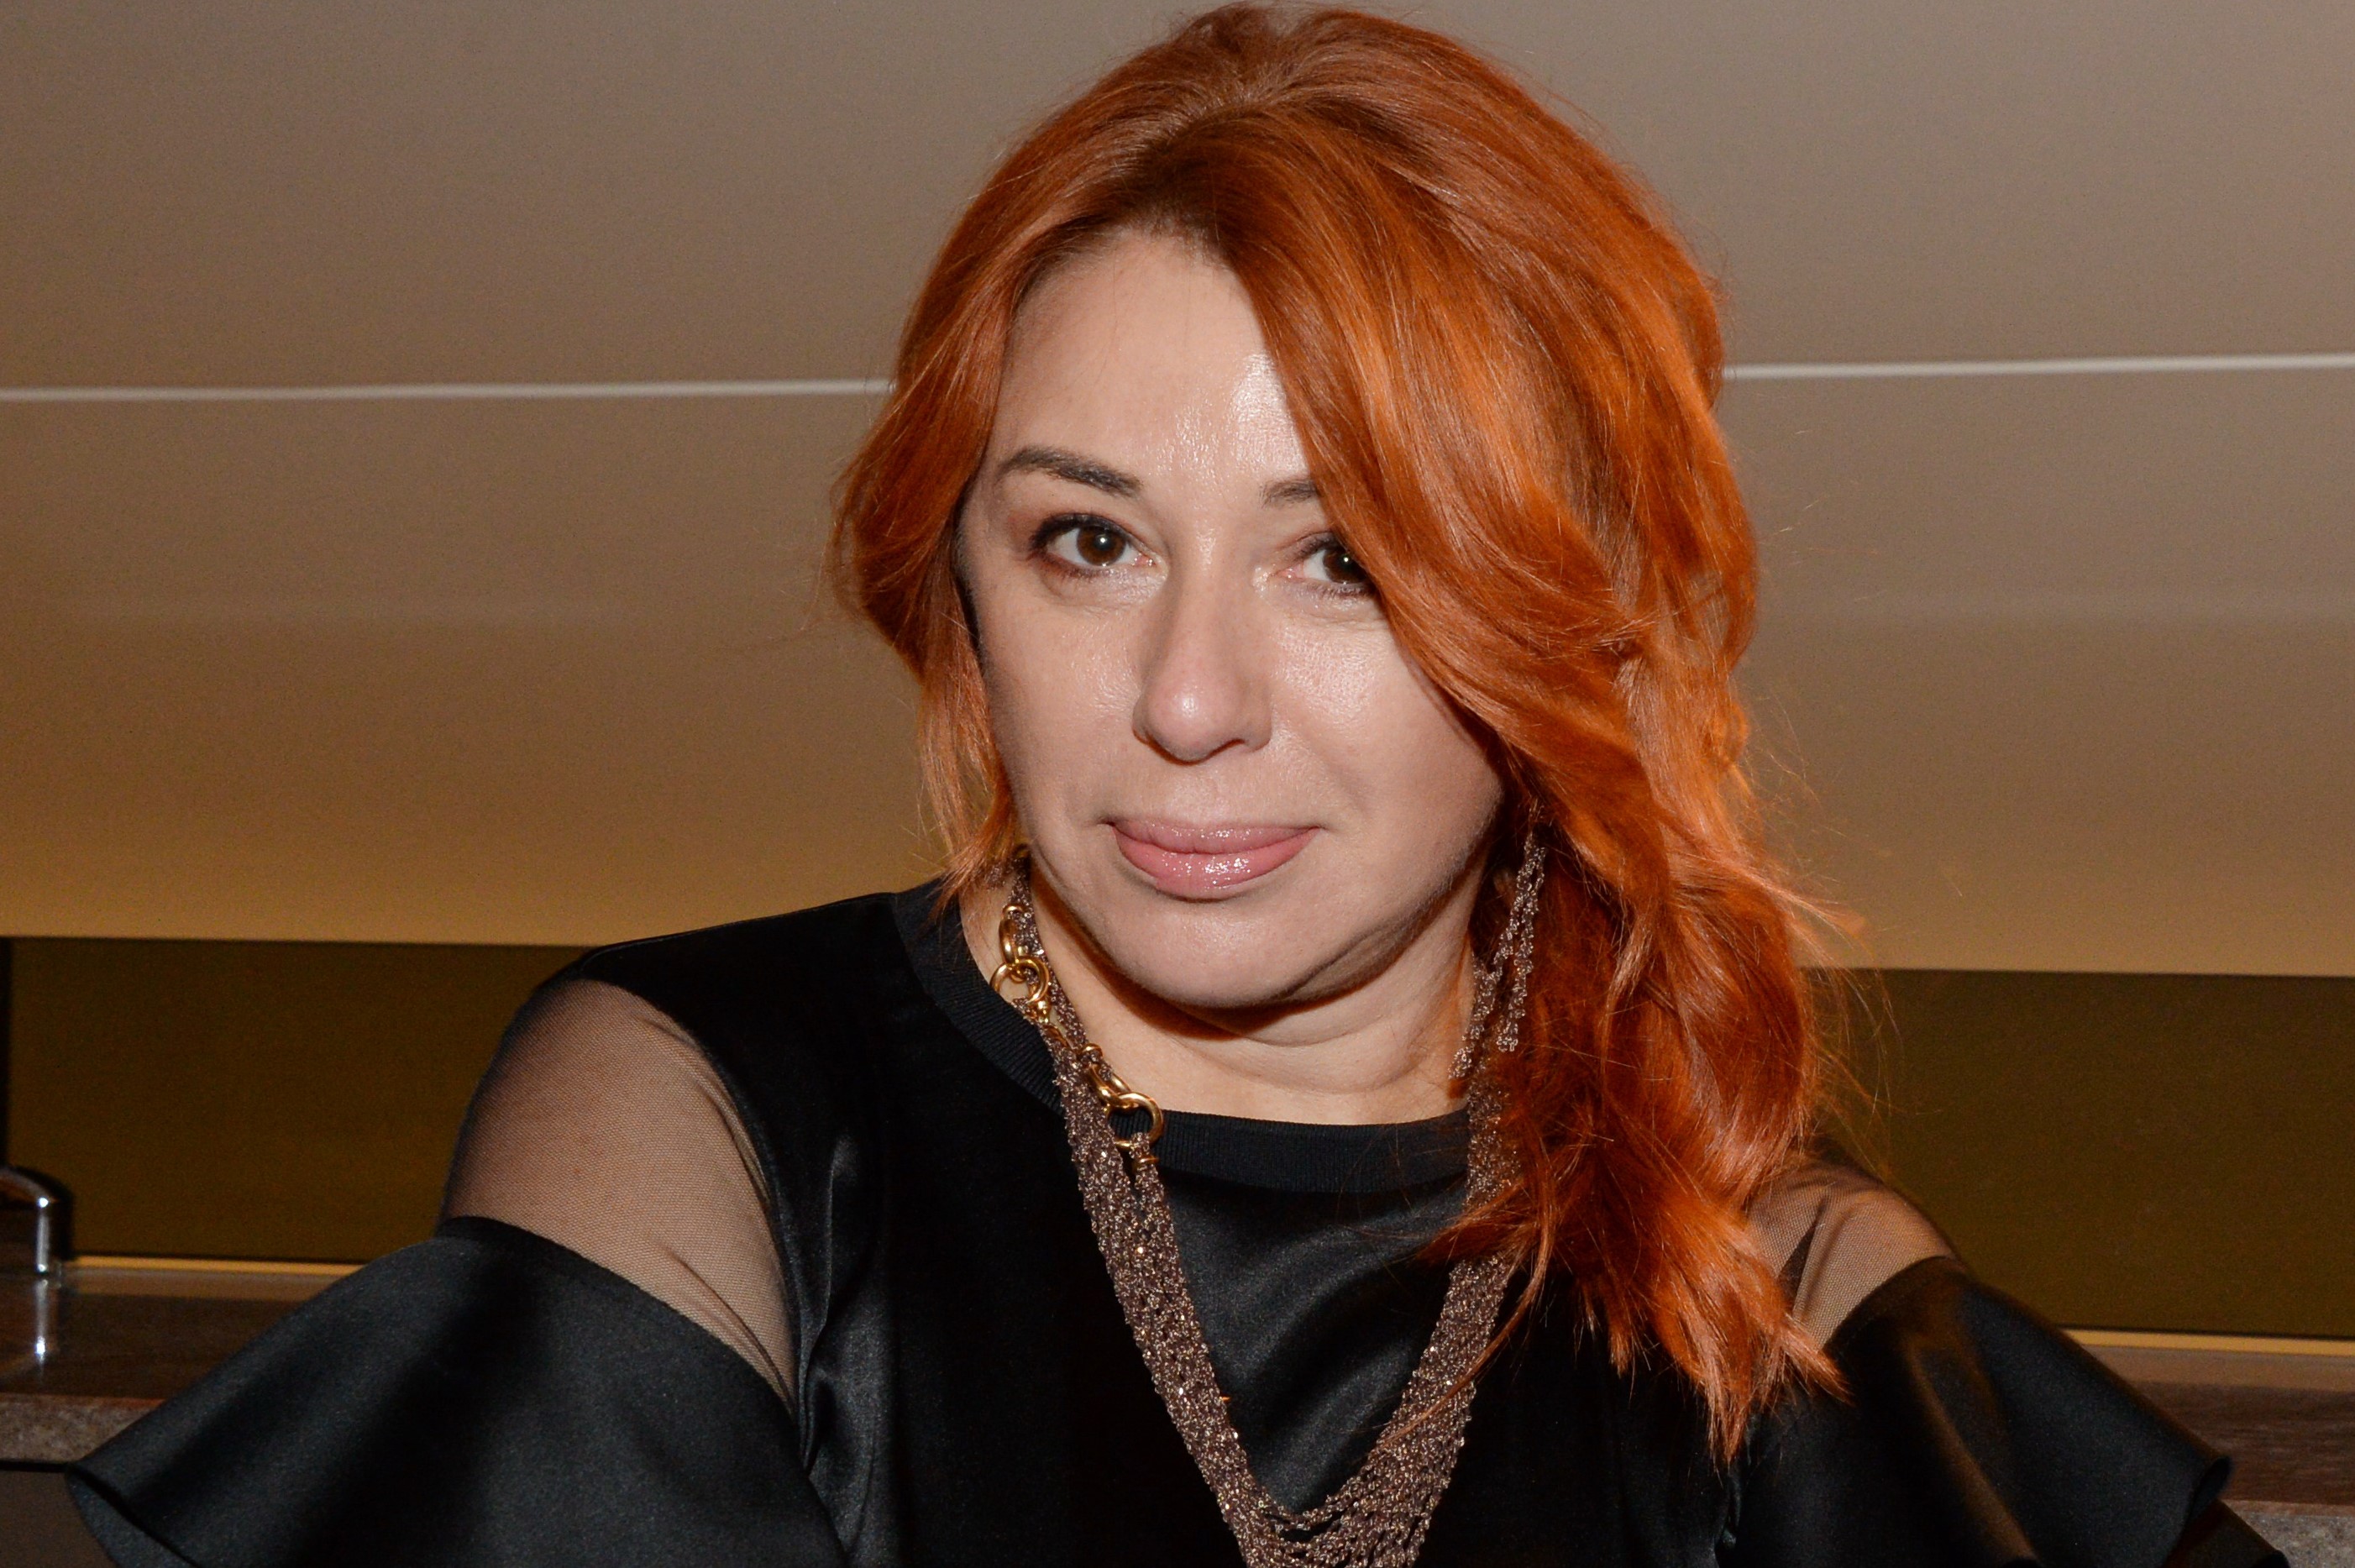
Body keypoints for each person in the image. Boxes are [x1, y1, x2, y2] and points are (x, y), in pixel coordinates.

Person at [68, 7, 2280, 1565]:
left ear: (1572, 613)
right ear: (956, 573)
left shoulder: (1764, 1269)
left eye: (1345, 558)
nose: (1187, 697)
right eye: (1087, 540)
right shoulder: (723, 1121)